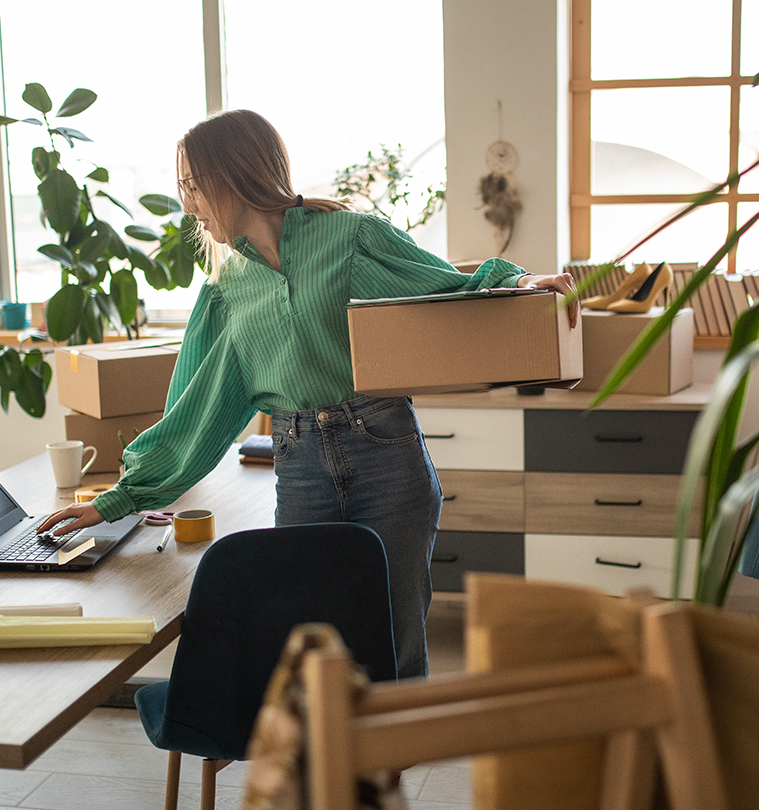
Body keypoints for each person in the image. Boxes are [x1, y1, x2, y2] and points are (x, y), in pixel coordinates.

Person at [38, 109, 577, 678]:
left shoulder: (350, 238)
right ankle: (329, 767)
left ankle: (387, 764)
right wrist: (116, 500)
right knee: (313, 657)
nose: (189, 205)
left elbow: (442, 286)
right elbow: (196, 413)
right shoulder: (226, 291)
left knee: (393, 648)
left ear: (234, 175)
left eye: (194, 187)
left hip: (387, 458)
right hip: (301, 473)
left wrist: (519, 285)